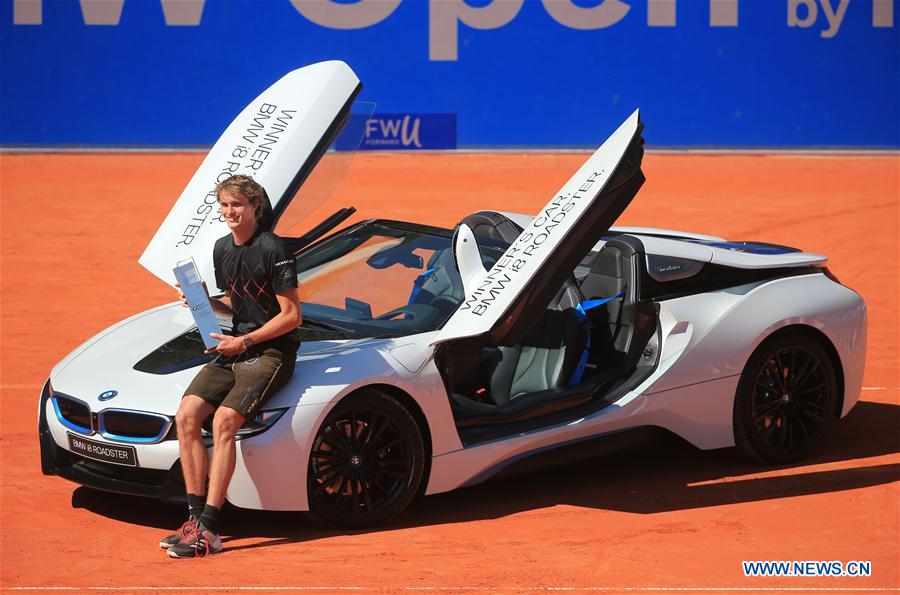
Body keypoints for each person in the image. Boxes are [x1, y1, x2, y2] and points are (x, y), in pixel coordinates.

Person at [161, 174, 302, 558]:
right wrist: (205, 302)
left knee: (224, 421)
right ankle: (193, 520)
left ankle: (211, 528)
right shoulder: (223, 249)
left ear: (255, 207)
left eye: (237, 205)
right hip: (235, 348)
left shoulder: (274, 249)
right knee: (187, 415)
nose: (229, 213)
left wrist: (248, 340)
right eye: (224, 206)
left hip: (272, 352)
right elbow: (238, 307)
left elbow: (291, 316)